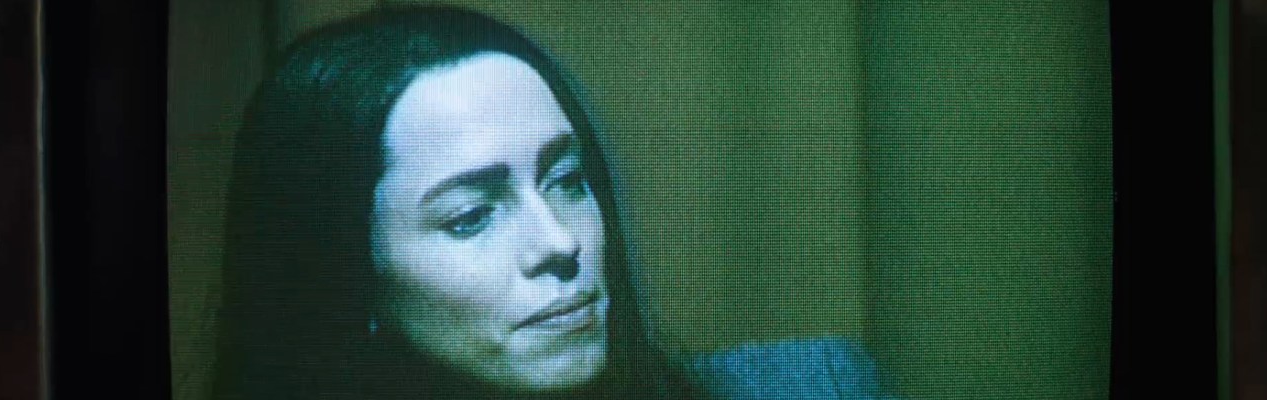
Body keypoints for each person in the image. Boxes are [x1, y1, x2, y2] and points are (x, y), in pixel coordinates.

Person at [211, 5, 890, 400]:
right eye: (471, 217)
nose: (560, 243)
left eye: (566, 180)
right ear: (343, 276)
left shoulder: (813, 387)